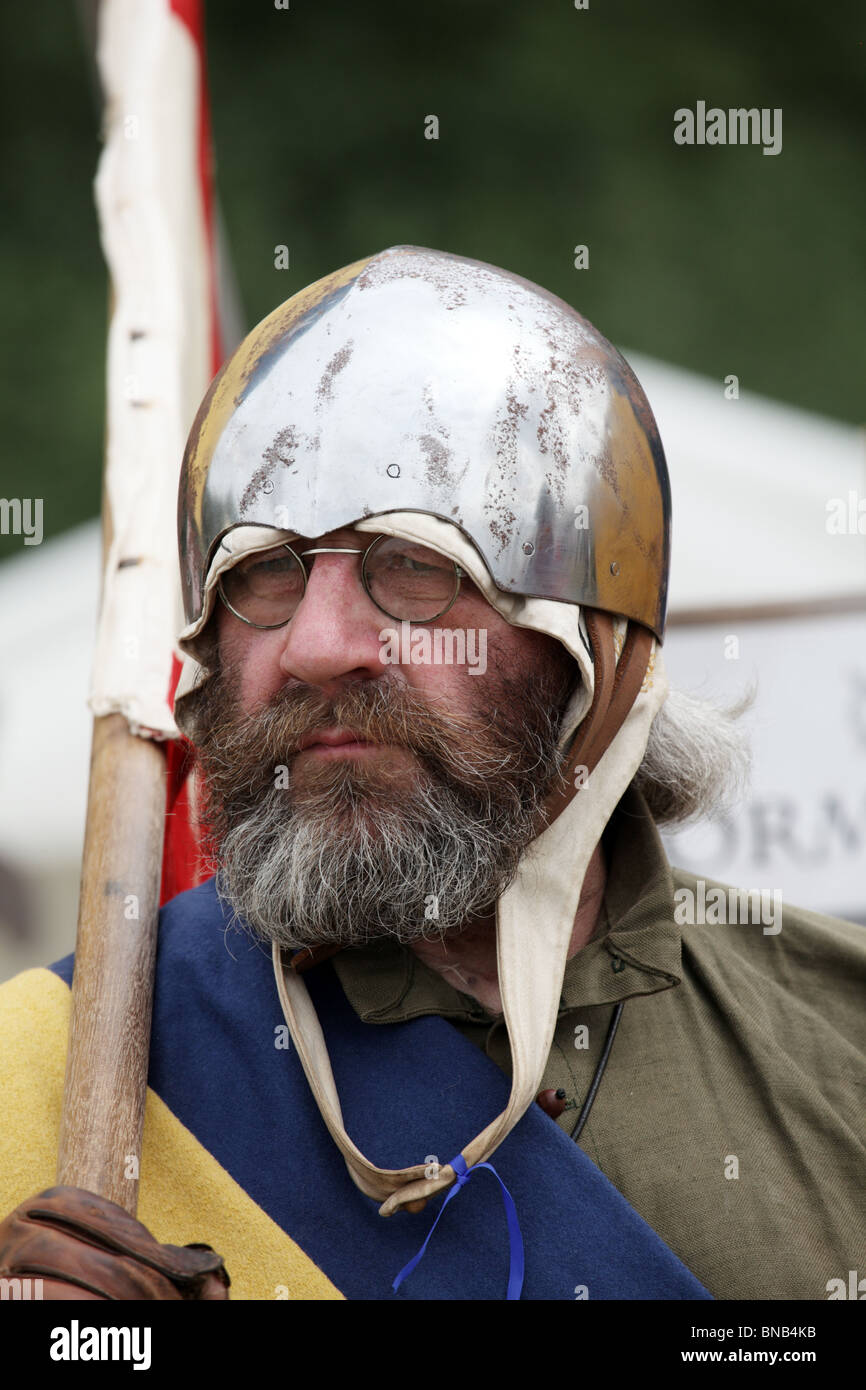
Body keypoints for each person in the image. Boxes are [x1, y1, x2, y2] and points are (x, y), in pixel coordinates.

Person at [1, 247, 862, 1301]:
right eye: (263, 573)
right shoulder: (31, 1076)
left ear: (596, 648)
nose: (318, 646)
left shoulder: (844, 1039)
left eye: (414, 567)